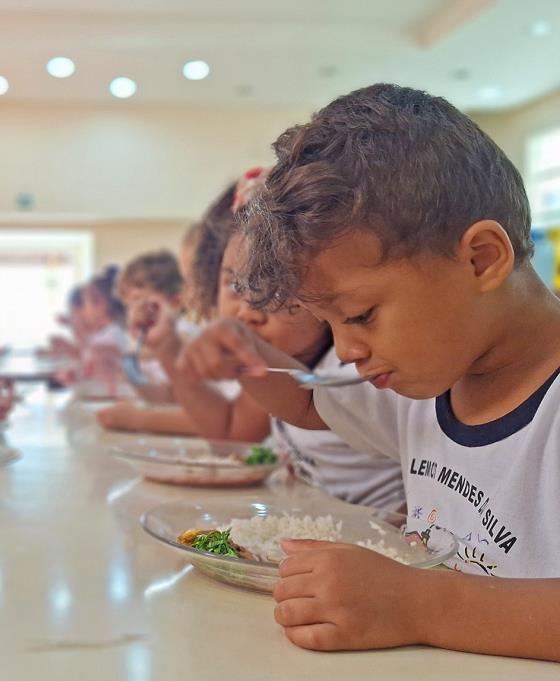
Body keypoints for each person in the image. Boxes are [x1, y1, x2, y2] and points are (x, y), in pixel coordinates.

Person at [180, 83, 560, 661]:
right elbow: (312, 406)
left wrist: (422, 604)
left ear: (482, 258)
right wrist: (248, 358)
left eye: (360, 314)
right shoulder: (424, 380)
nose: (348, 348)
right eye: (329, 323)